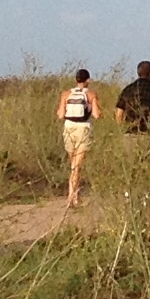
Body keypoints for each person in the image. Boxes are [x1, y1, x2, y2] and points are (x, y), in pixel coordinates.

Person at [58, 68, 101, 204]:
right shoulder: (91, 95)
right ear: (87, 80)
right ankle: (72, 196)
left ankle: (74, 195)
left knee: (74, 164)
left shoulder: (66, 94)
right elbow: (96, 115)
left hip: (69, 128)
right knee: (77, 166)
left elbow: (60, 115)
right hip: (83, 129)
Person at [117, 59, 150, 153]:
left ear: (138, 72)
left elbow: (119, 113)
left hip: (129, 135)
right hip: (148, 134)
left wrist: (120, 130)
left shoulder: (127, 89)